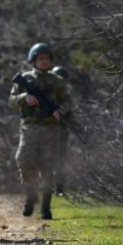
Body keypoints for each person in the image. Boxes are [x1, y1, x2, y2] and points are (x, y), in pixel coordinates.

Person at [8, 43, 70, 220]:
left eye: (47, 58)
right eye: (41, 58)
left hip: (50, 128)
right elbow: (11, 100)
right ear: (34, 60)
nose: (44, 61)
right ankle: (31, 194)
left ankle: (45, 207)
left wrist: (60, 110)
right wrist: (24, 97)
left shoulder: (57, 81)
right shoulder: (25, 78)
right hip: (29, 127)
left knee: (47, 167)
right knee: (24, 161)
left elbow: (68, 101)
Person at [51, 65, 71, 196]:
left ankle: (58, 188)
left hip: (61, 133)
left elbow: (69, 112)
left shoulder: (65, 97)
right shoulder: (47, 94)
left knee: (60, 161)